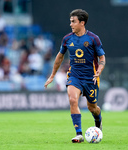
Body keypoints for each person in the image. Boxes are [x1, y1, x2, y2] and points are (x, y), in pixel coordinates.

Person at [44, 9, 105, 143]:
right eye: (70, 21)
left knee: (92, 107)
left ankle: (98, 122)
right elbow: (60, 57)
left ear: (82, 23)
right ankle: (79, 134)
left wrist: (99, 70)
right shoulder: (67, 39)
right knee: (72, 100)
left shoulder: (93, 38)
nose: (70, 24)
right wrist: (52, 75)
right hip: (74, 76)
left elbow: (102, 58)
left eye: (73, 22)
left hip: (91, 78)